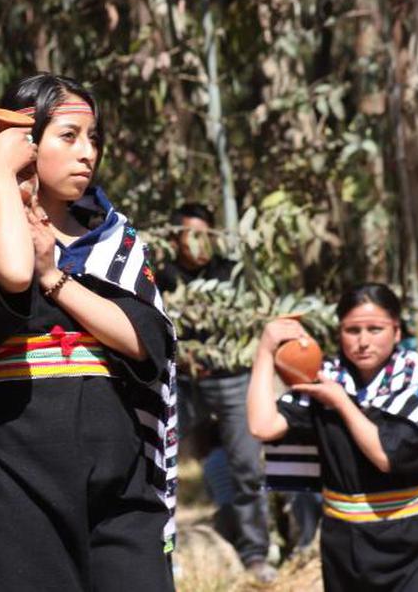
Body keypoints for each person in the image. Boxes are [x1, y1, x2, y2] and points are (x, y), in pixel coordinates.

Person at [0, 73, 178, 592]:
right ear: (27, 143)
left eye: (93, 139)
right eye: (68, 136)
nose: (87, 153)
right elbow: (14, 278)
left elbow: (144, 342)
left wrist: (56, 277)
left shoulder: (114, 239)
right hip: (17, 470)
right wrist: (2, 178)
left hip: (117, 467)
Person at [248, 283, 418, 591]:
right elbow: (262, 426)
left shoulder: (414, 379)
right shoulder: (326, 377)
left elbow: (386, 457)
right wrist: (265, 351)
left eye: (375, 329)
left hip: (412, 542)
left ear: (396, 332)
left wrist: (342, 402)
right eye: (352, 330)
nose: (363, 341)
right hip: (344, 544)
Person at [156, 204, 276, 583]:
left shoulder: (229, 274)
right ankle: (161, 554)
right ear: (174, 238)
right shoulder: (161, 278)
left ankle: (255, 552)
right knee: (160, 466)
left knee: (246, 466)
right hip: (183, 384)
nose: (199, 243)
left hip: (232, 380)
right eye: (191, 235)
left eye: (206, 235)